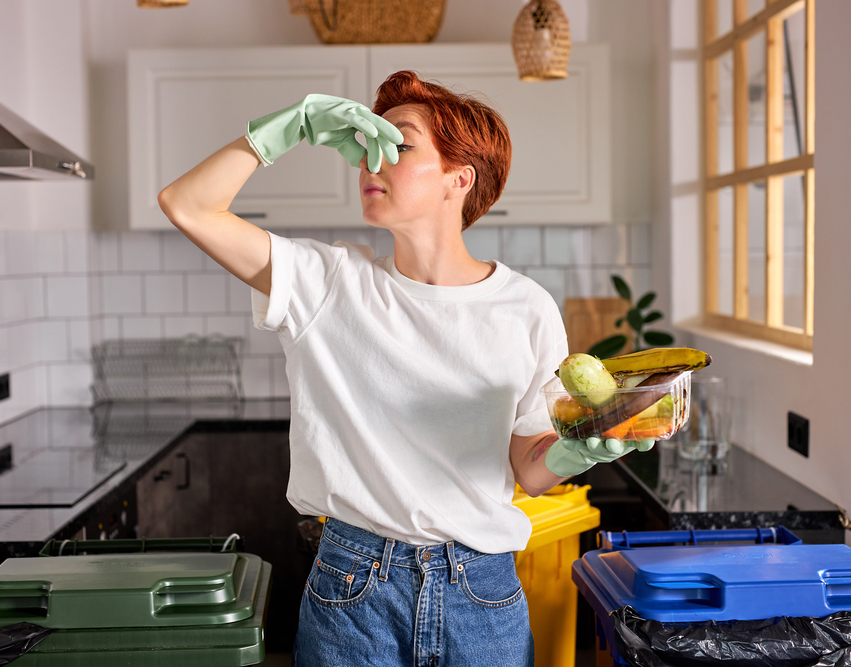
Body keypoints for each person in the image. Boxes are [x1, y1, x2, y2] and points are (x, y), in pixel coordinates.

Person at [158, 70, 651, 667]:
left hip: (482, 596)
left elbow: (529, 467)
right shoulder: (328, 284)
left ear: (458, 178)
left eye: (399, 143)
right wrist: (287, 130)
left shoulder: (526, 308)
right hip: (352, 592)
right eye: (368, 144)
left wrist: (581, 449)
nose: (372, 160)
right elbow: (185, 205)